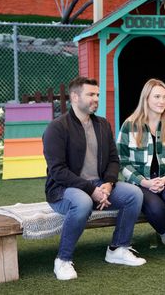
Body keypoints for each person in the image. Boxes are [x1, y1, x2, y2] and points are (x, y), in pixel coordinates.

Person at [43, 76, 146, 281]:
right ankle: (63, 260)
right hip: (64, 189)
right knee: (83, 202)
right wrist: (91, 190)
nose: (96, 98)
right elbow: (57, 171)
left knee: (134, 194)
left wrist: (108, 184)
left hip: (99, 185)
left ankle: (118, 248)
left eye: (97, 94)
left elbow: (113, 160)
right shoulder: (57, 128)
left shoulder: (102, 125)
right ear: (74, 97)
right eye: (91, 94)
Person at [116, 78, 165, 259]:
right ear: (146, 99)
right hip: (140, 181)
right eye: (157, 96)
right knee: (156, 209)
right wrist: (144, 182)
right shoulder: (130, 125)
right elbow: (122, 161)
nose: (162, 101)